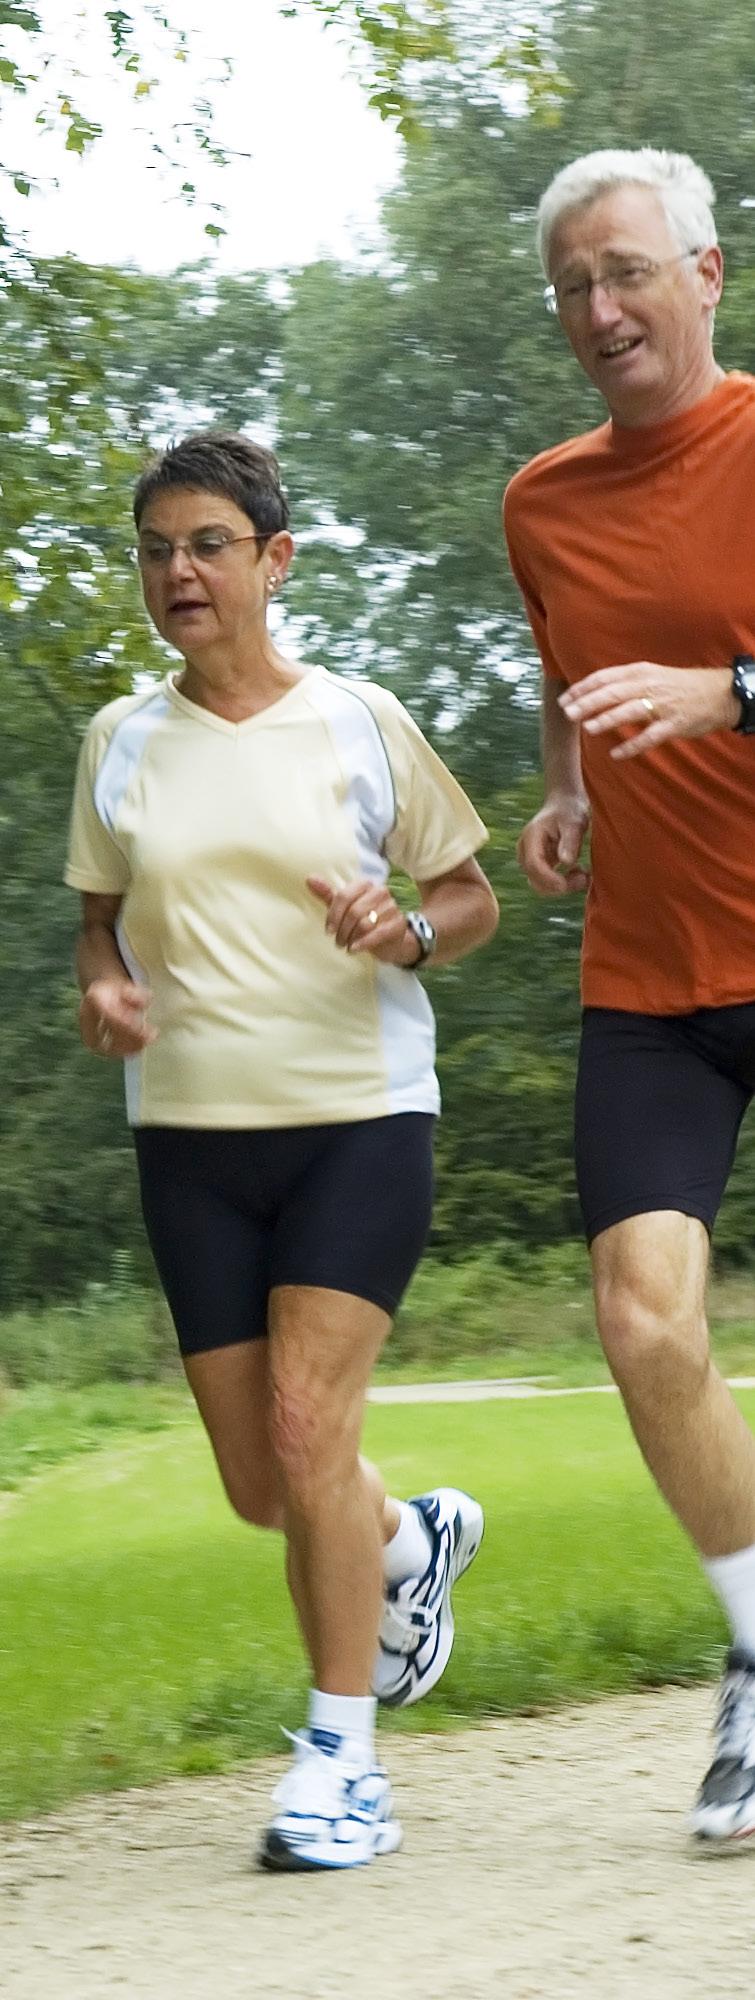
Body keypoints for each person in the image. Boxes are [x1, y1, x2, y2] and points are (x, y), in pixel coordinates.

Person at [65, 430, 498, 1872]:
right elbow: (99, 920)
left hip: (359, 1122)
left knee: (313, 1433)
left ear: (274, 560)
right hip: (189, 1141)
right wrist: (103, 986)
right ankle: (405, 1545)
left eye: (206, 545)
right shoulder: (120, 742)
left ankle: (341, 1763)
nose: (177, 573)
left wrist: (410, 930)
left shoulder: (362, 723)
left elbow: (468, 897)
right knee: (268, 1483)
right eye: (155, 550)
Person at [504, 146, 755, 1844]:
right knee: (642, 1314)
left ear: (710, 273)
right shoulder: (541, 501)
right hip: (654, 979)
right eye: (574, 287)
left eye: (629, 273)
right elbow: (566, 675)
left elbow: (686, 676)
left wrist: (730, 690)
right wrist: (574, 791)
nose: (601, 309)